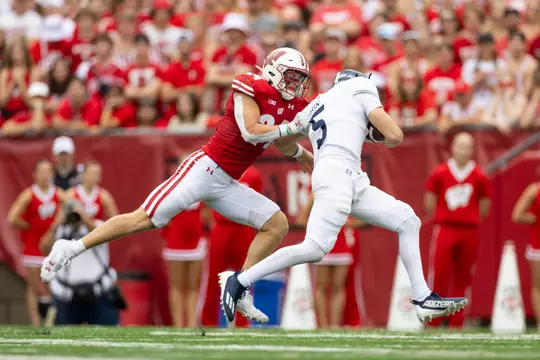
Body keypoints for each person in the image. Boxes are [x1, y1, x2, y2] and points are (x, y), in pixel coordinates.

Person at [41, 47, 314, 324]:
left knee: (276, 224)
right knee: (143, 219)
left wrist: (300, 153)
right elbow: (252, 131)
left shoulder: (291, 104)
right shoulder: (249, 85)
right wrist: (292, 131)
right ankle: (71, 248)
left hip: (227, 182)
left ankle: (240, 284)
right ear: (271, 71)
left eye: (298, 78)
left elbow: (280, 138)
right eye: (290, 76)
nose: (295, 84)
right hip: (204, 170)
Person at [220, 69, 467, 324]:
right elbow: (395, 135)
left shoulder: (317, 102)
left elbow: (282, 142)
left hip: (345, 175)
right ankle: (239, 280)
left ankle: (423, 298)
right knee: (314, 248)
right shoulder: (361, 86)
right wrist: (373, 132)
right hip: (338, 173)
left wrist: (304, 152)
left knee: (407, 220)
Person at [424, 133, 491, 328]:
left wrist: (469, 216)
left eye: (468, 147)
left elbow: (485, 206)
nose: (463, 151)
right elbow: (429, 201)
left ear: (472, 150)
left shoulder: (480, 176)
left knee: (464, 276)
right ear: (453, 148)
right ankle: (434, 320)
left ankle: (457, 321)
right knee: (439, 274)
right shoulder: (440, 172)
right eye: (460, 146)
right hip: (445, 228)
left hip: (469, 231)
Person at [41, 200, 122, 326]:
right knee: (63, 339)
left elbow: (104, 235)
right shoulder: (59, 230)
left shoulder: (96, 226)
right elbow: (44, 248)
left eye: (76, 214)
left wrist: (85, 218)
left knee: (109, 334)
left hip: (98, 292)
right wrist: (56, 224)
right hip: (66, 294)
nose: (74, 218)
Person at [201, 166, 262, 328]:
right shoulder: (218, 169)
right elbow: (206, 200)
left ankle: (242, 323)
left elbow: (258, 204)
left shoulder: (253, 174)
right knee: (214, 278)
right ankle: (208, 323)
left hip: (243, 230)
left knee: (244, 278)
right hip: (221, 228)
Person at [7, 159, 63, 326]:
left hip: (51, 245)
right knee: (33, 286)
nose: (45, 175)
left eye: (48, 172)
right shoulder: (29, 194)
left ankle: (51, 317)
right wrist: (29, 225)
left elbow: (67, 208)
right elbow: (12, 218)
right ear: (35, 174)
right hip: (32, 246)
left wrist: (53, 227)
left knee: (52, 284)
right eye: (42, 172)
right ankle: (35, 320)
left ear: (52, 174)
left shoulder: (59, 194)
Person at [296, 193, 362, 328]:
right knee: (321, 285)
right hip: (323, 242)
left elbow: (363, 220)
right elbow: (301, 220)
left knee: (339, 286)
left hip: (342, 243)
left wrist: (343, 222)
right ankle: (323, 325)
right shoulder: (317, 192)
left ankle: (334, 325)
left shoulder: (347, 193)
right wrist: (319, 224)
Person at [512, 181, 540, 329]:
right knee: (538, 285)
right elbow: (517, 215)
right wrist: (534, 218)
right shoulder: (534, 190)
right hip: (538, 245)